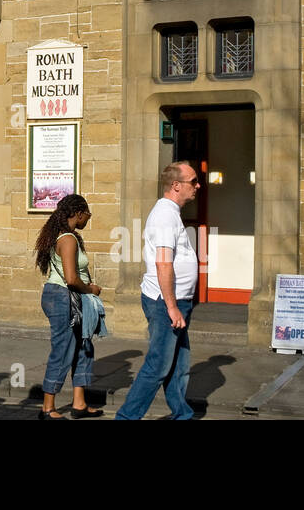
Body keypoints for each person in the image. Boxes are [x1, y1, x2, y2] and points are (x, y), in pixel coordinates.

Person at [115, 161, 200, 420]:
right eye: (193, 181)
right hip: (165, 303)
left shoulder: (171, 212)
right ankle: (126, 417)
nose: (198, 186)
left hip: (175, 302)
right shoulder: (165, 215)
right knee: (158, 366)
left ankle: (182, 414)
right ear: (176, 185)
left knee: (178, 365)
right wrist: (172, 307)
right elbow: (164, 263)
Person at [34, 194, 104, 419]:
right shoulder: (67, 239)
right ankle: (47, 408)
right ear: (79, 212)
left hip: (67, 298)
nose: (88, 220)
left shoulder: (69, 236)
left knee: (84, 348)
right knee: (63, 349)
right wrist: (91, 289)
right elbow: (71, 278)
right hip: (63, 297)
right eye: (88, 215)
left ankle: (79, 404)